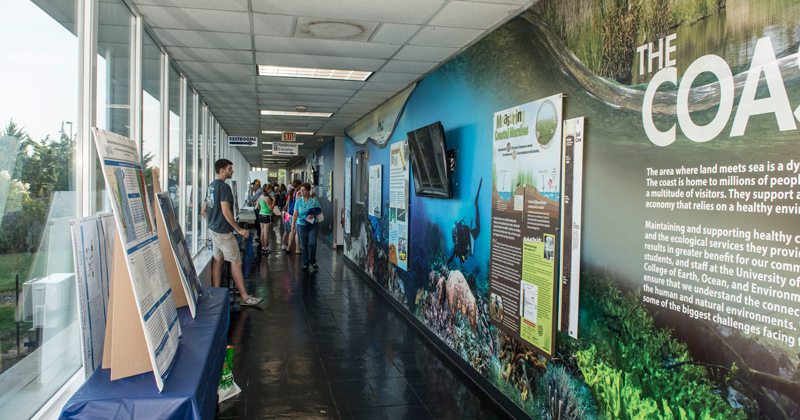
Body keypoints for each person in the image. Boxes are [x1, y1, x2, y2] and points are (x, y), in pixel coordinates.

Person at [201, 159, 262, 306]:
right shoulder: (224, 187)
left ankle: (216, 293)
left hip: (213, 230)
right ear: (222, 170)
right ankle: (245, 297)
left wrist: (214, 222)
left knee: (218, 260)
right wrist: (239, 229)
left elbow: (203, 210)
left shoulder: (211, 186)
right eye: (230, 168)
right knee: (237, 262)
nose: (232, 171)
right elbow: (226, 212)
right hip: (224, 232)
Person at [293, 182, 321, 271]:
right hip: (301, 225)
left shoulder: (314, 200)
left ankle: (312, 260)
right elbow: (295, 213)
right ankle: (305, 262)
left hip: (313, 224)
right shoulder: (298, 201)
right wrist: (293, 225)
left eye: (304, 190)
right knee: (304, 245)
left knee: (312, 243)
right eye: (301, 190)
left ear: (308, 191)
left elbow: (319, 210)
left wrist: (313, 215)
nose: (302, 192)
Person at [283, 179, 302, 254]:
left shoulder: (290, 192)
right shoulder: (298, 193)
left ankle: (288, 248)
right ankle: (297, 249)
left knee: (292, 231)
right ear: (299, 185)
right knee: (297, 232)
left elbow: (288, 204)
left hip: (290, 214)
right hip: (296, 214)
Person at [258, 184, 275, 253]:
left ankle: (262, 247)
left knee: (262, 231)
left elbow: (257, 206)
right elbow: (271, 208)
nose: (271, 190)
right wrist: (274, 200)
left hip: (261, 214)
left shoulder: (260, 197)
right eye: (270, 189)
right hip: (267, 214)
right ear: (267, 189)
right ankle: (266, 247)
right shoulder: (267, 198)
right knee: (266, 232)